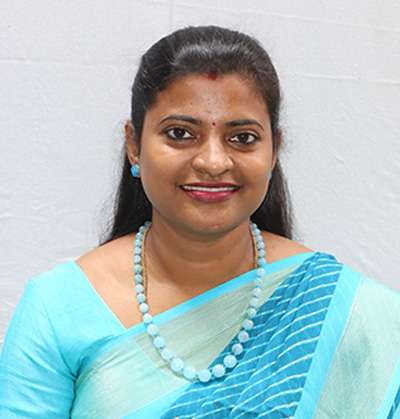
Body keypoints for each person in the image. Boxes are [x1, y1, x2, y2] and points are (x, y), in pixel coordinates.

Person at [0, 25, 399, 419]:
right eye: (179, 133)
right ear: (134, 145)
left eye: (242, 138)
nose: (213, 162)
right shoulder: (58, 308)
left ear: (274, 150)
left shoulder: (350, 314)